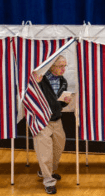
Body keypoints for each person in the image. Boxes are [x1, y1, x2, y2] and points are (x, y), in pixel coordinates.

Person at [32, 55, 72, 194]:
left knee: (59, 145)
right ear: (52, 66)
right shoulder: (40, 79)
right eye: (60, 66)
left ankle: (46, 171)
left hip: (56, 119)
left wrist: (65, 101)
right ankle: (48, 181)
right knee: (45, 152)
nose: (63, 69)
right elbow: (31, 94)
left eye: (65, 66)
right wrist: (35, 83)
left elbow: (57, 103)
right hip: (41, 120)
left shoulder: (63, 81)